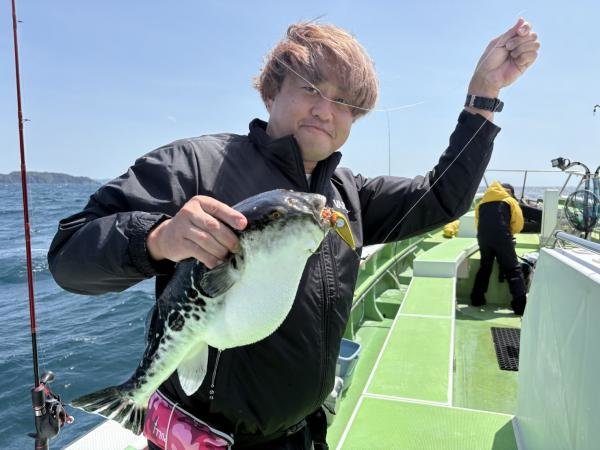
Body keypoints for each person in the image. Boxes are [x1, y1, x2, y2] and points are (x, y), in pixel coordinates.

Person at [48, 19, 539, 449]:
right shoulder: (195, 165)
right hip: (207, 438)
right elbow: (70, 255)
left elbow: (442, 196)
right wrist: (158, 237)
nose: (326, 110)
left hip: (304, 433)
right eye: (311, 88)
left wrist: (483, 96)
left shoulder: (347, 196)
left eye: (345, 102)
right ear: (271, 91)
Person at [470, 182, 527, 315]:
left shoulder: (481, 203)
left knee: (485, 267)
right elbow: (519, 223)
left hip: (483, 238)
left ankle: (477, 299)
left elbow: (477, 223)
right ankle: (520, 307)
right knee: (513, 270)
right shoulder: (510, 201)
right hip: (502, 237)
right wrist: (509, 233)